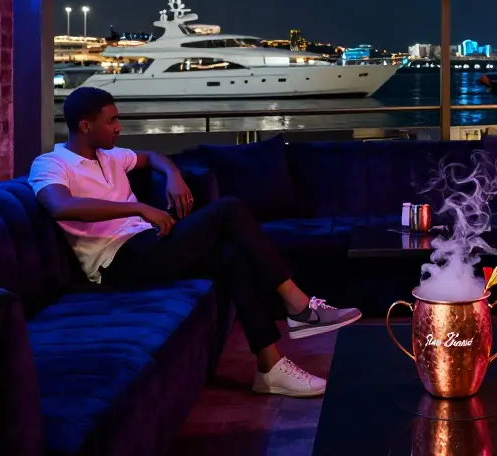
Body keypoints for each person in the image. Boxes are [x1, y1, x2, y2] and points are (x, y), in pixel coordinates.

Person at [28, 87, 362, 398]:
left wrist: (172, 176)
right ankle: (299, 306)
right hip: (118, 261)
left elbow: (153, 158)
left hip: (149, 243)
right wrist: (139, 206)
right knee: (229, 209)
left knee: (232, 256)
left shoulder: (110, 156)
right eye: (111, 120)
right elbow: (60, 206)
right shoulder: (51, 163)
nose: (118, 127)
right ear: (85, 125)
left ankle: (270, 368)